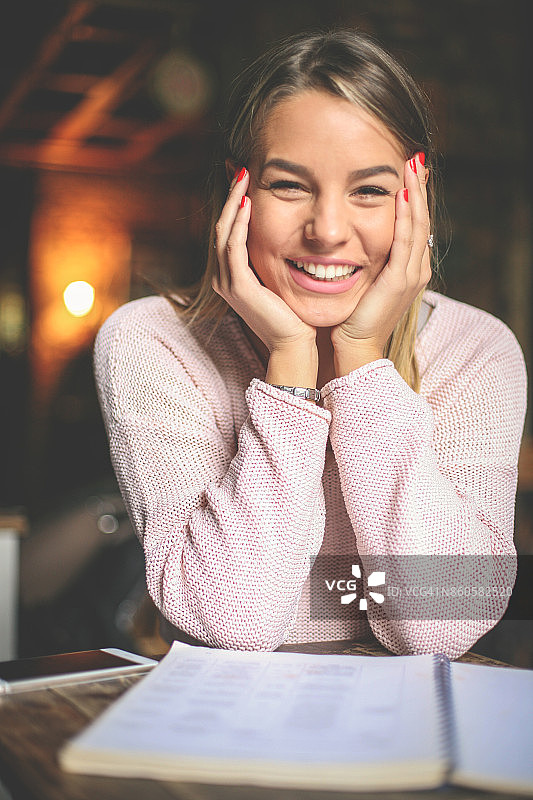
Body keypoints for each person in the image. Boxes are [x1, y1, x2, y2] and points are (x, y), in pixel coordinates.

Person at [94, 29, 527, 658]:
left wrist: (361, 359)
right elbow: (227, 620)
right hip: (219, 731)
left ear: (418, 199)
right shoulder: (151, 341)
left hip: (406, 734)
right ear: (238, 191)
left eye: (370, 191)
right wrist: (290, 370)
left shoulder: (477, 351)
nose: (326, 231)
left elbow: (440, 625)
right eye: (289, 185)